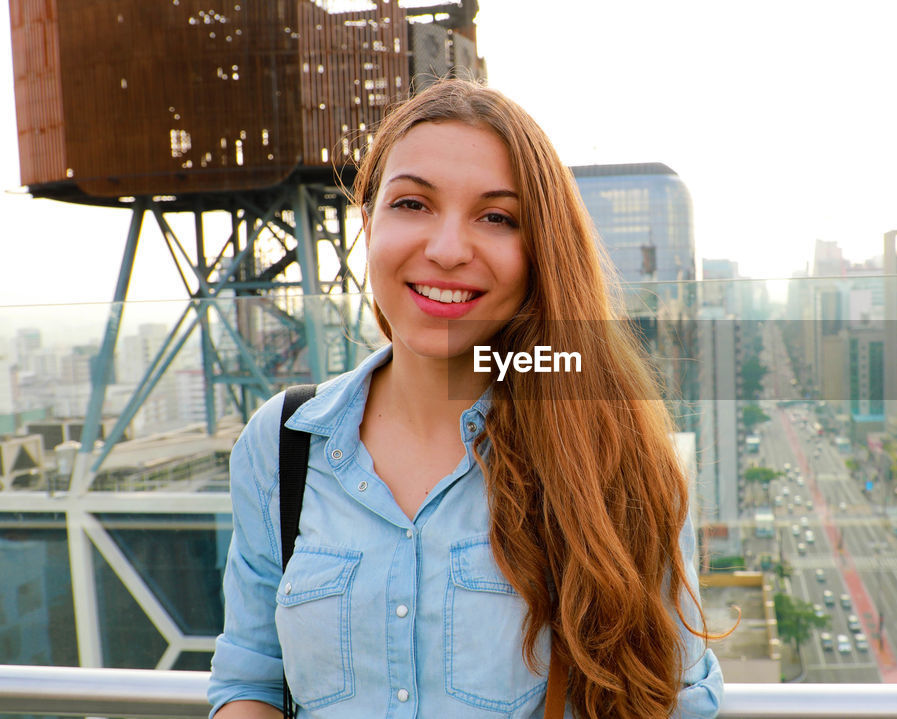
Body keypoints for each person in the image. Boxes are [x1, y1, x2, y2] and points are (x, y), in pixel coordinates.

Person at [207, 79, 725, 718]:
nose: (448, 250)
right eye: (412, 205)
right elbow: (250, 678)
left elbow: (675, 701)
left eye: (497, 217)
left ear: (539, 253)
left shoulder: (609, 448)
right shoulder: (284, 440)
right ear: (367, 223)